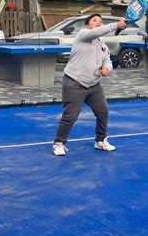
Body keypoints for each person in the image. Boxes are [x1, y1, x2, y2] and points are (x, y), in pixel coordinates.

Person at [53, 13, 127, 156]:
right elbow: (96, 32)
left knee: (103, 111)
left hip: (94, 85)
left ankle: (100, 141)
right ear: (87, 25)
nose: (99, 23)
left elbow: (108, 60)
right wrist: (115, 25)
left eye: (101, 21)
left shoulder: (103, 46)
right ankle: (59, 143)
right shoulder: (83, 34)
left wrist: (108, 68)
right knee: (70, 116)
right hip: (74, 82)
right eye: (95, 20)